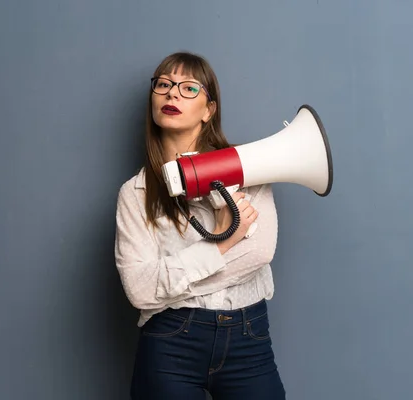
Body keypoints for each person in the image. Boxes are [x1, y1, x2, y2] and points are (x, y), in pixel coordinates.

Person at [114, 51, 286, 399]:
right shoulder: (136, 192)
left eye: (189, 88)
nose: (172, 94)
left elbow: (260, 252)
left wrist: (167, 287)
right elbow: (137, 289)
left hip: (248, 337)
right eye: (164, 84)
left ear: (210, 109)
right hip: (170, 344)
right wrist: (222, 242)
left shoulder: (249, 169)